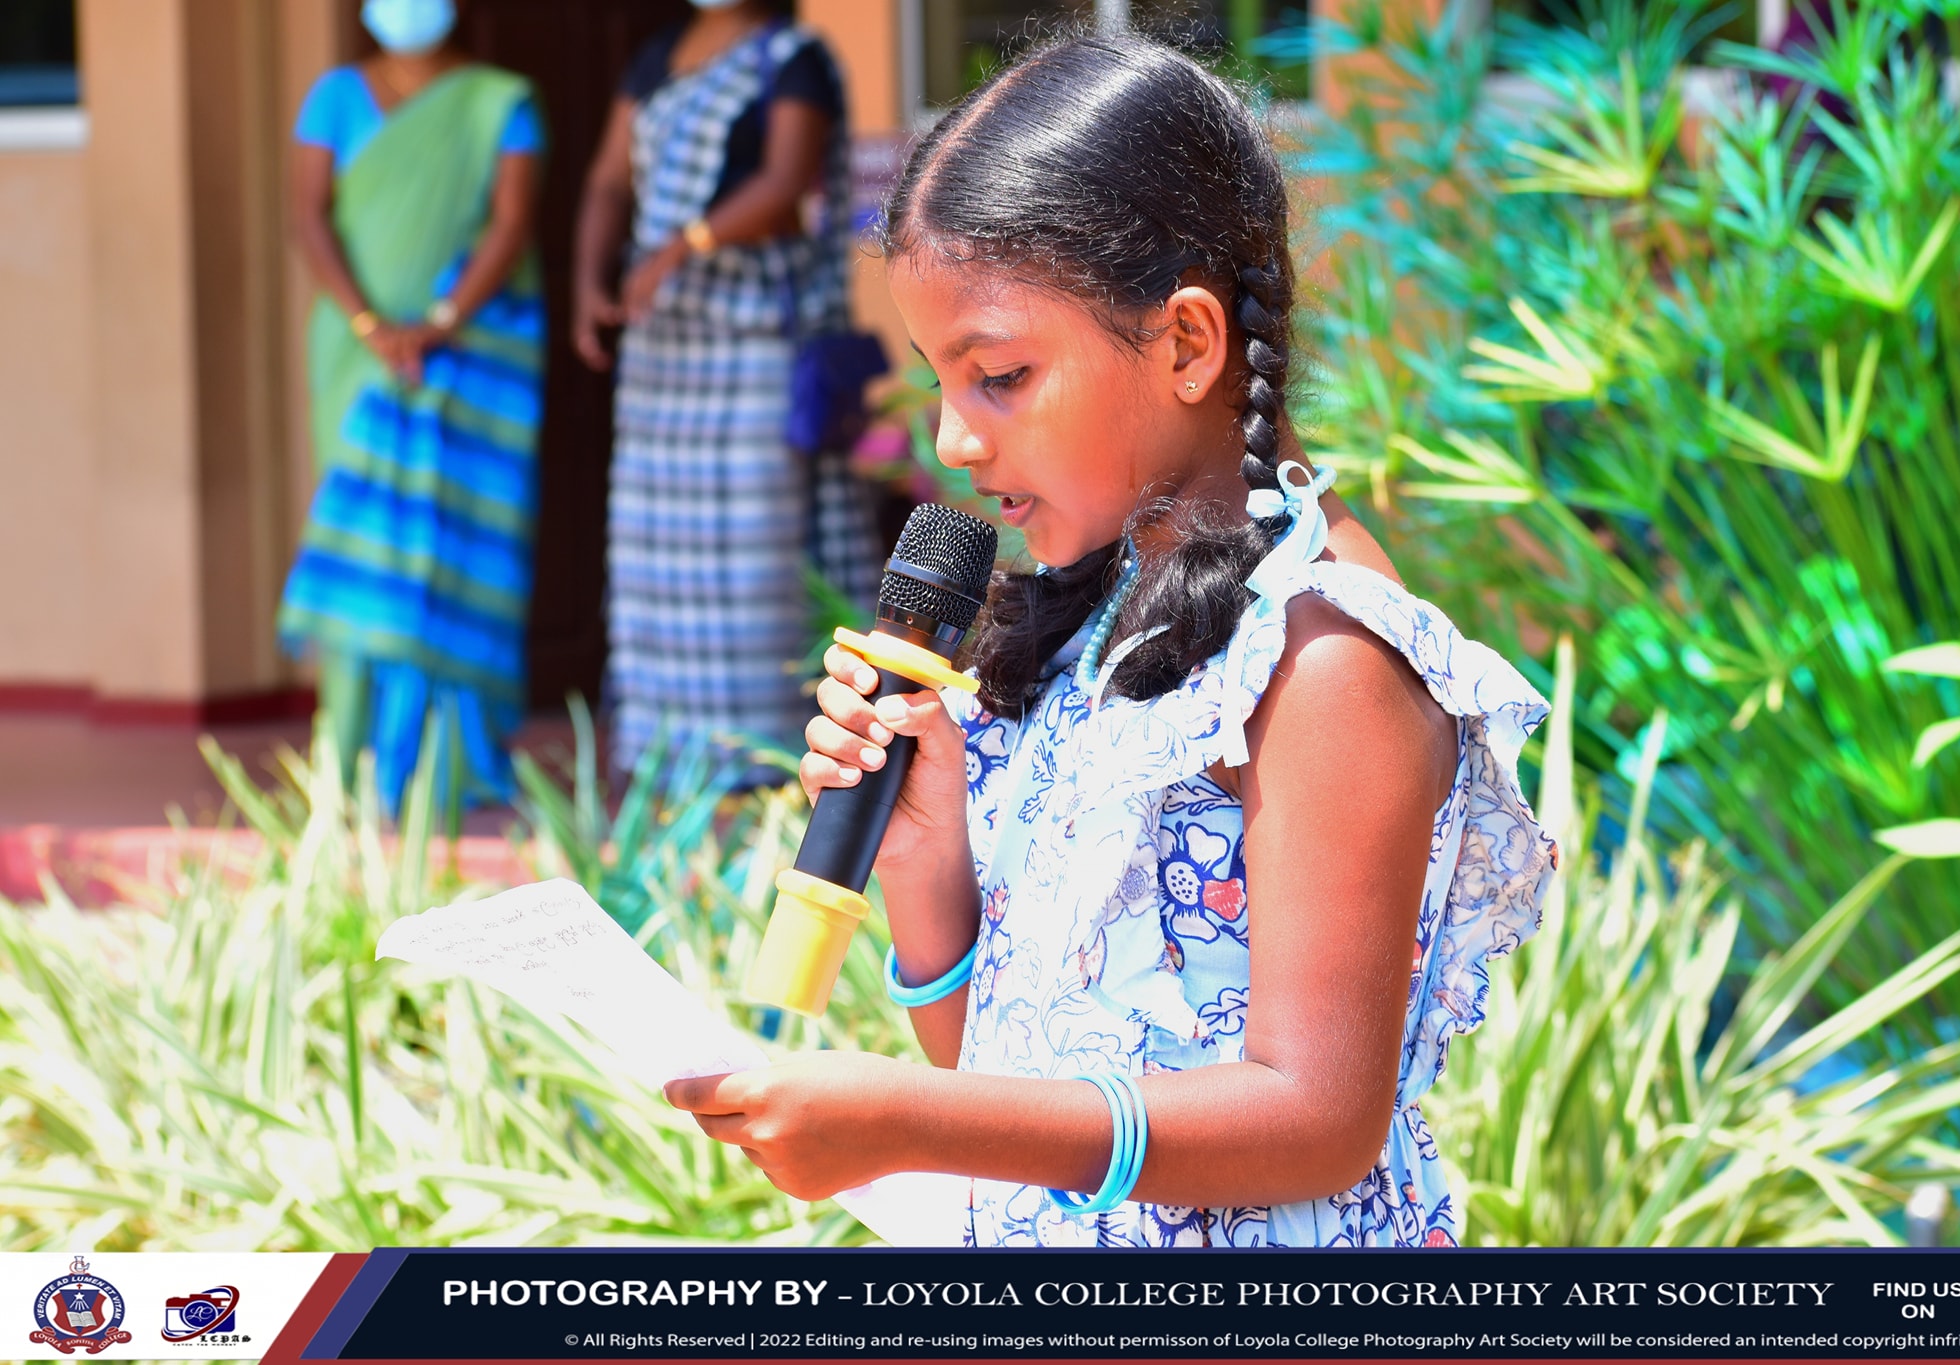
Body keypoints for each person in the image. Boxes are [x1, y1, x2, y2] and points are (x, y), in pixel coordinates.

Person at [666, 36, 1557, 1247]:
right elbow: (1008, 1060)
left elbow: (1314, 1118)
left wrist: (912, 1120)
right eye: (938, 382)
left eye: (998, 376)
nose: (954, 441)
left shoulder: (1321, 655)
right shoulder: (1098, 610)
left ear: (1186, 344)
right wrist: (923, 865)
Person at [573, 0, 882, 778]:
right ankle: (670, 752)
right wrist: (587, 286)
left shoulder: (792, 58)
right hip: (663, 350)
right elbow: (609, 180)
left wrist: (681, 246)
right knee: (656, 556)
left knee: (755, 560)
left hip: (755, 335)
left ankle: (768, 753)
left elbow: (784, 181)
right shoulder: (660, 56)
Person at [279, 0, 545, 814]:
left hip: (468, 356)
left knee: (449, 546)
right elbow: (307, 215)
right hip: (355, 355)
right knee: (363, 535)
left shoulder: (501, 101)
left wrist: (440, 322)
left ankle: (445, 762)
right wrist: (372, 325)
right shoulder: (333, 97)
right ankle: (350, 756)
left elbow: (512, 222)